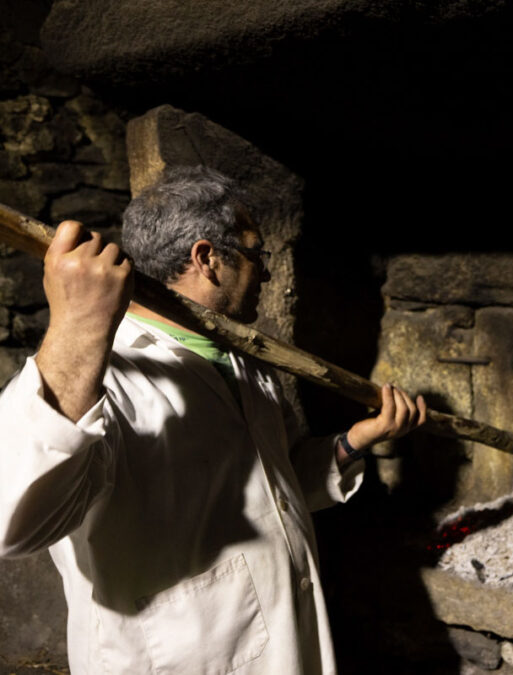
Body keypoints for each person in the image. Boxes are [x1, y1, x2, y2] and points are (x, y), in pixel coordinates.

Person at [0, 166, 426, 673]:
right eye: (255, 253)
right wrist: (75, 325)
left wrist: (358, 440)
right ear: (208, 259)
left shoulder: (244, 359)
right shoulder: (97, 372)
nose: (266, 272)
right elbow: (13, 526)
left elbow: (277, 488)